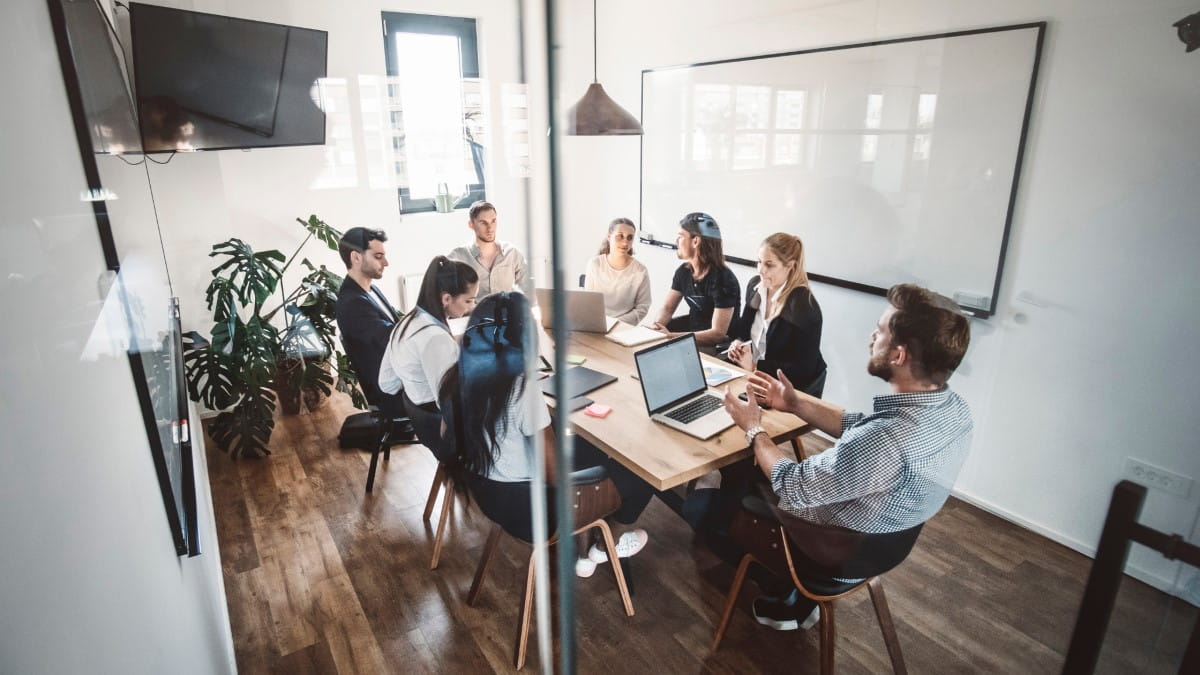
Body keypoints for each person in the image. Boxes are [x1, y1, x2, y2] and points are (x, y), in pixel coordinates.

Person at [719, 283, 973, 631]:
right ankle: (796, 599)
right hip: (886, 545)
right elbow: (858, 425)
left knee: (711, 506)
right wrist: (795, 404)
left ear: (898, 356)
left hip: (833, 555)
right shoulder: (952, 411)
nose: (872, 335)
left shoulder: (885, 441)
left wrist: (753, 428)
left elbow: (791, 484)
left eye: (880, 331)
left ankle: (783, 589)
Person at [439, 292, 653, 577]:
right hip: (534, 512)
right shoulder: (520, 390)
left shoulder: (456, 379)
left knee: (586, 446)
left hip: (491, 497)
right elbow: (555, 476)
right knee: (642, 472)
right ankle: (605, 545)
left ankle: (585, 546)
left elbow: (447, 435)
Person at [378, 256, 478, 456]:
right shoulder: (435, 339)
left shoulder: (407, 321)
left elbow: (387, 383)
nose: (473, 306)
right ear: (446, 298)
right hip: (448, 439)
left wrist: (416, 383)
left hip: (425, 426)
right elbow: (451, 405)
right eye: (468, 300)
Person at [726, 233, 827, 397]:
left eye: (769, 265)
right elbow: (743, 329)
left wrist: (755, 365)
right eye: (759, 262)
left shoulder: (803, 306)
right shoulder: (755, 287)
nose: (761, 270)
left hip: (791, 390)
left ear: (790, 266)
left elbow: (803, 370)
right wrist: (737, 344)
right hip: (755, 378)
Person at [335, 226, 404, 418]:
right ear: (356, 258)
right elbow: (391, 339)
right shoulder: (352, 303)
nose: (386, 262)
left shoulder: (369, 291)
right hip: (392, 393)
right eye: (378, 256)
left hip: (398, 375)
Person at [650, 212, 740, 349]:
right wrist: (656, 328)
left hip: (717, 347)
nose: (676, 241)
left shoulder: (724, 279)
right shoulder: (683, 272)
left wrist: (670, 337)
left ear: (695, 241)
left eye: (680, 236)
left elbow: (718, 334)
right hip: (691, 339)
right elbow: (667, 308)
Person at [448, 200, 529, 298]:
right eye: (483, 223)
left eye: (493, 221)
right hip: (474, 313)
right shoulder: (458, 257)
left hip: (506, 312)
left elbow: (528, 293)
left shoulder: (512, 253)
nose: (490, 228)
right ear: (471, 224)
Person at [583, 217, 652, 324]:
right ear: (609, 236)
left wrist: (617, 323)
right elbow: (588, 301)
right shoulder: (595, 264)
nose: (625, 243)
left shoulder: (640, 271)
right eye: (620, 236)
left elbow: (643, 307)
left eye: (629, 238)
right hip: (596, 324)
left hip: (623, 327)